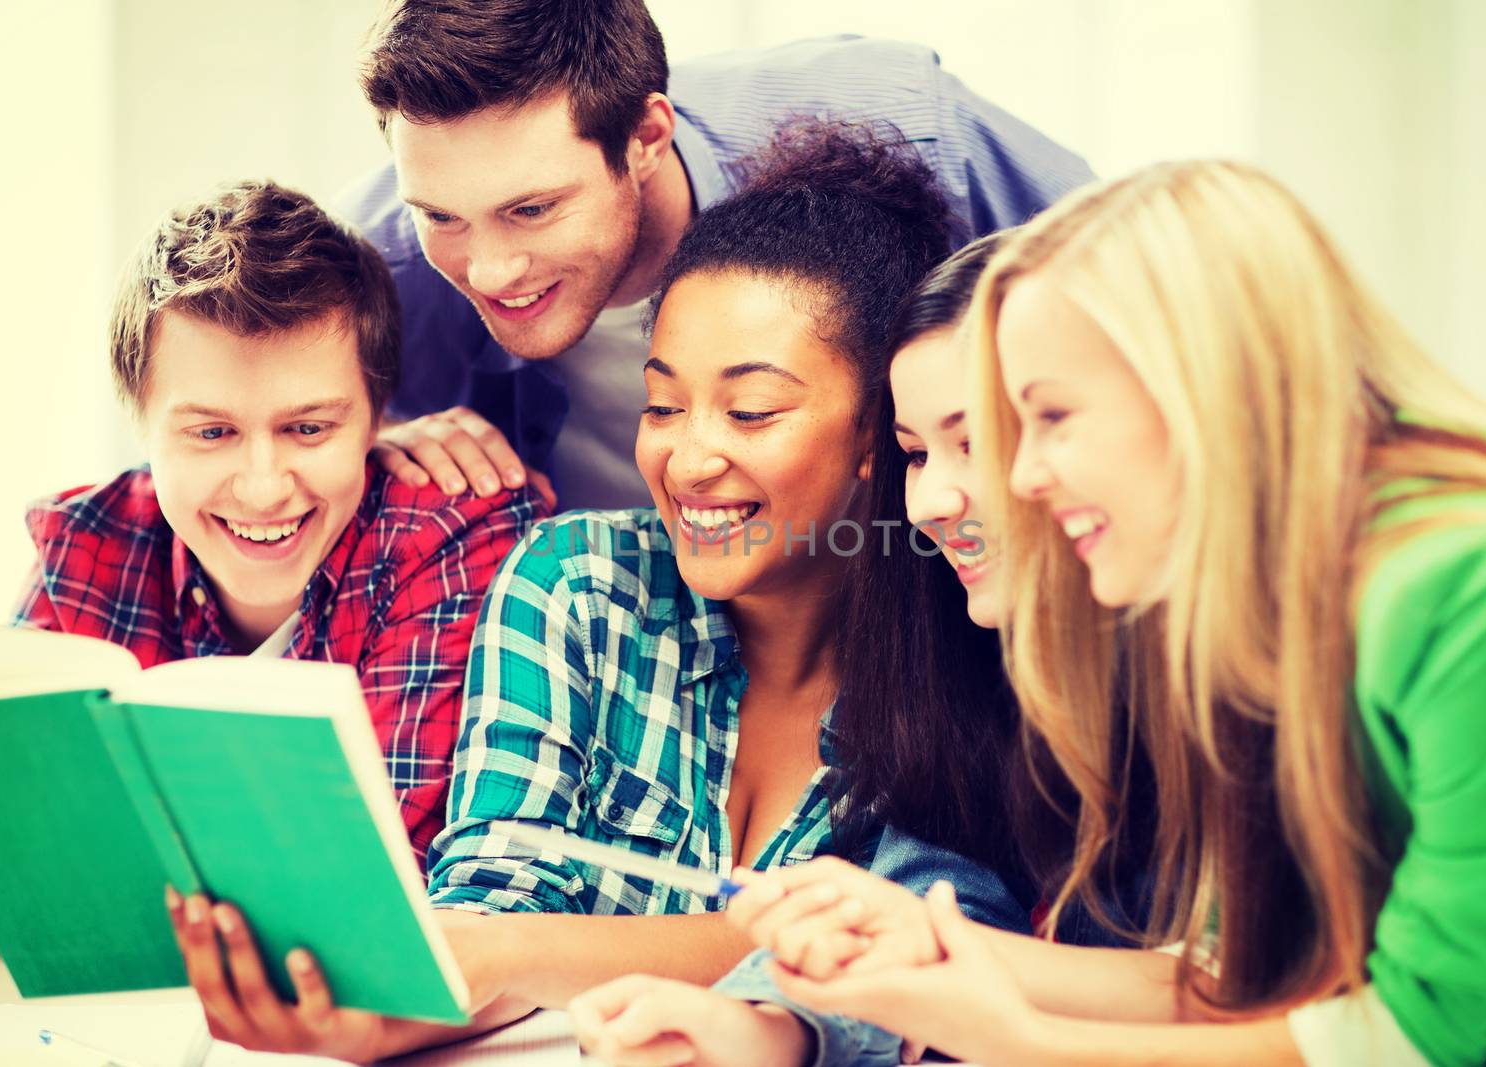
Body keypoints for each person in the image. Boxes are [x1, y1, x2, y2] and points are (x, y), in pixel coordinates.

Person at [698, 161, 1486, 1067]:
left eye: (1048, 418)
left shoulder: (1468, 585)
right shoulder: (1235, 602)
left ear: (1198, 386)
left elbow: (1420, 1036)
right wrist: (932, 945)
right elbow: (1238, 976)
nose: (1023, 477)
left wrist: (1018, 1039)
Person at [164, 121, 967, 1061]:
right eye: (662, 404)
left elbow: (914, 943)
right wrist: (366, 1018)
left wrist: (513, 954)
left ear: (882, 429)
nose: (687, 458)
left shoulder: (961, 649)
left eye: (749, 410)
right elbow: (490, 907)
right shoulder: (576, 586)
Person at [567, 237, 1153, 1066]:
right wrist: (764, 1027)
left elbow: (1298, 1011)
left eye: (978, 440)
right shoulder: (994, 661)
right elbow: (944, 892)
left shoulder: (1265, 670)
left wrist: (1023, 1034)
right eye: (918, 453)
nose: (930, 502)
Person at [0, 180, 542, 963]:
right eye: (211, 432)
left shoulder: (444, 536)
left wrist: (83, 862)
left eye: (308, 427)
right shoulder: (88, 542)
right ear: (140, 422)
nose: (263, 485)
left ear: (380, 415)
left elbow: (370, 893)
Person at [342, 0, 1094, 511]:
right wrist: (359, 439)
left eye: (532, 210)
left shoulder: (905, 127)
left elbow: (1147, 310)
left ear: (646, 139)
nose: (489, 270)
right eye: (441, 216)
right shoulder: (378, 261)